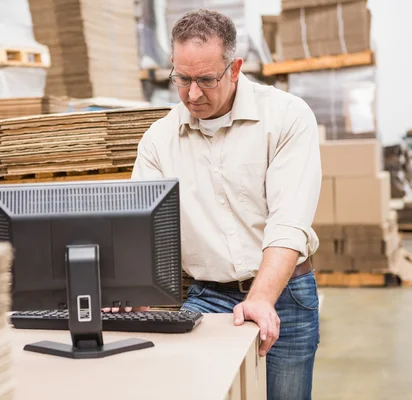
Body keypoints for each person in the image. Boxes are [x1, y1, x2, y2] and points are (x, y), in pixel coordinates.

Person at [131, 9, 322, 400]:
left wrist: (261, 299)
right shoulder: (158, 140)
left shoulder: (286, 117)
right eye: (182, 79)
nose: (193, 94)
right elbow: (142, 230)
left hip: (285, 292)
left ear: (234, 68)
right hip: (209, 294)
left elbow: (289, 223)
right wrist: (129, 294)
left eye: (206, 79)